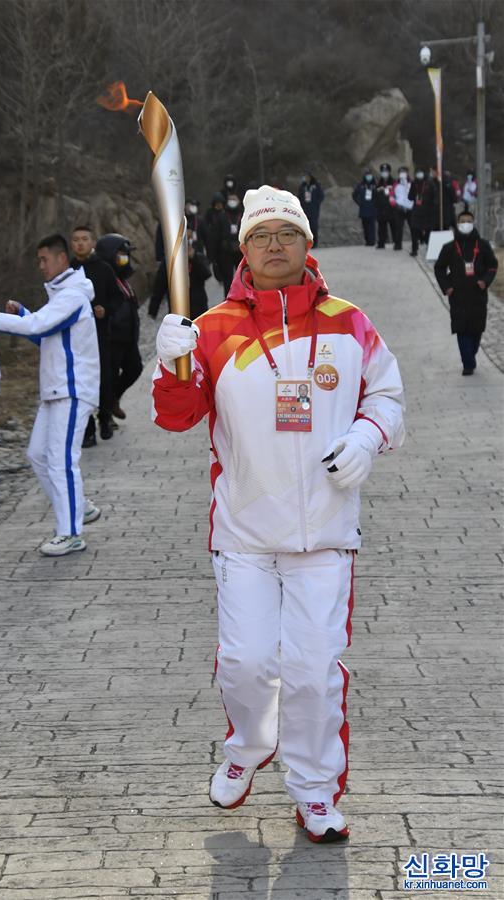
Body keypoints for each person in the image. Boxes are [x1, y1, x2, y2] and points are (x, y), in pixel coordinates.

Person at [152, 185, 404, 843]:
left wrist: (365, 438)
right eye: (261, 235)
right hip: (244, 532)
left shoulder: (349, 321)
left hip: (325, 533)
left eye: (285, 234)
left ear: (305, 244)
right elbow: (177, 418)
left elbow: (387, 397)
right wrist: (172, 363)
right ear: (243, 248)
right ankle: (246, 748)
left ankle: (315, 791)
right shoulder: (210, 329)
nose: (274, 245)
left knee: (313, 672)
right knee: (246, 662)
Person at [0, 233, 100, 556]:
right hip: (55, 390)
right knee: (38, 455)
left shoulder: (73, 296)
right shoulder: (61, 296)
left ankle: (71, 532)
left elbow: (38, 327)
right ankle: (79, 506)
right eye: (39, 261)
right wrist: (23, 315)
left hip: (72, 390)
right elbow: (45, 335)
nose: (41, 266)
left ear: (61, 259)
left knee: (61, 461)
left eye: (44, 260)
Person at [434, 210, 498, 375]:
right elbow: (439, 268)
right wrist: (446, 286)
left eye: (469, 220)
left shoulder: (483, 245)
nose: (466, 224)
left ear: (473, 222)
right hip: (458, 295)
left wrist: (485, 281)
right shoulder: (449, 248)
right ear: (458, 223)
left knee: (476, 330)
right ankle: (467, 364)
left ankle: (471, 354)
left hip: (478, 294)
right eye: (463, 221)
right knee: (461, 329)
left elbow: (492, 265)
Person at [70, 224, 117, 442]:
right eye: (76, 239)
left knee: (105, 378)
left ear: (92, 243)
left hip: (100, 334)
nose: (80, 243)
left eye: (84, 239)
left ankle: (105, 417)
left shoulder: (104, 269)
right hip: (74, 337)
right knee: (81, 380)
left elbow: (118, 299)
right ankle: (87, 428)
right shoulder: (67, 271)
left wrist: (105, 309)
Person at [94, 233, 143, 421]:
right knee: (109, 377)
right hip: (112, 337)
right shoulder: (101, 279)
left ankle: (114, 399)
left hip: (129, 337)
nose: (125, 258)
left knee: (135, 368)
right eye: (121, 254)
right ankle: (105, 417)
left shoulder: (123, 279)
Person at [408, 167, 436, 256]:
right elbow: (410, 196)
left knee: (428, 231)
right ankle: (414, 249)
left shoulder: (429, 183)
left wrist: (433, 206)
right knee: (414, 230)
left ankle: (430, 249)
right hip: (416, 210)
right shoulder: (414, 183)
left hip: (427, 211)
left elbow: (434, 196)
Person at [297, 172, 324, 248]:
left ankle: (315, 243)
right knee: (306, 227)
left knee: (314, 226)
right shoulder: (303, 186)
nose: (306, 179)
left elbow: (321, 196)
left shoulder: (316, 185)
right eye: (305, 177)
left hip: (314, 210)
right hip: (305, 209)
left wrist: (316, 203)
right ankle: (308, 243)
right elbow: (299, 196)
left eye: (307, 177)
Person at [352, 170, 377, 246]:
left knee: (372, 227)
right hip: (364, 209)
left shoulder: (375, 185)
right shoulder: (361, 185)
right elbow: (354, 195)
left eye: (370, 175)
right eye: (367, 175)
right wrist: (359, 202)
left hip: (373, 209)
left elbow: (379, 195)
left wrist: (377, 203)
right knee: (365, 226)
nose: (369, 177)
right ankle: (367, 240)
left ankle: (372, 241)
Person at [373, 163, 395, 249]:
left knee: (394, 227)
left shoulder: (394, 182)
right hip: (381, 209)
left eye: (386, 171)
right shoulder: (379, 183)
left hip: (392, 209)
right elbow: (375, 195)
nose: (384, 173)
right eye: (383, 171)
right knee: (381, 228)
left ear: (389, 172)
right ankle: (381, 243)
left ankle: (396, 243)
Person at [392, 166, 413, 251]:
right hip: (399, 208)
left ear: (407, 173)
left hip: (410, 208)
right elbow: (392, 194)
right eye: (401, 172)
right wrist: (394, 203)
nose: (402, 174)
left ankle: (415, 243)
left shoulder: (412, 183)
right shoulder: (395, 183)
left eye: (404, 172)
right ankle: (398, 244)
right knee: (398, 227)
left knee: (413, 227)